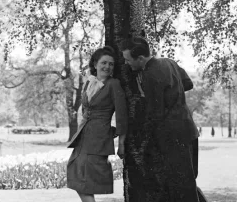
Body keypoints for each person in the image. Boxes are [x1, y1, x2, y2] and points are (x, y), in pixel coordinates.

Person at [120, 37, 204, 202]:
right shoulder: (169, 62)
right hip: (189, 129)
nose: (126, 63)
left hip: (171, 137)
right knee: (188, 182)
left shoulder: (148, 76)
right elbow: (188, 84)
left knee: (180, 187)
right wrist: (173, 96)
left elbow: (153, 114)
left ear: (141, 59)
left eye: (128, 60)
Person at [67, 46, 128, 202]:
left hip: (98, 139)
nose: (107, 67)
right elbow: (86, 108)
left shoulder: (113, 84)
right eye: (104, 63)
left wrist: (121, 142)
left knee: (85, 180)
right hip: (84, 136)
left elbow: (122, 115)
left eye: (111, 64)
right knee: (75, 173)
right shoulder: (90, 82)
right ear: (95, 64)